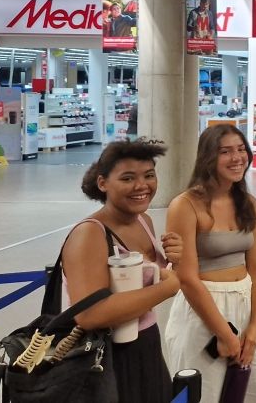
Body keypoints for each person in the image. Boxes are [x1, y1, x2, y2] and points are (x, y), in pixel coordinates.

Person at [60, 140, 184, 403]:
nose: (142, 186)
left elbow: (152, 281)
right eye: (128, 178)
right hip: (104, 359)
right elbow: (89, 314)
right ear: (103, 183)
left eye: (149, 175)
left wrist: (175, 260)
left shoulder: (144, 221)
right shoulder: (90, 234)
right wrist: (165, 289)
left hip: (146, 345)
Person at [164, 125, 256, 402]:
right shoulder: (186, 205)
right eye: (225, 151)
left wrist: (255, 326)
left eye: (241, 149)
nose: (237, 157)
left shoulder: (248, 205)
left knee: (254, 392)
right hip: (203, 312)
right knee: (202, 394)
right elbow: (188, 278)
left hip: (244, 306)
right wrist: (224, 334)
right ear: (207, 158)